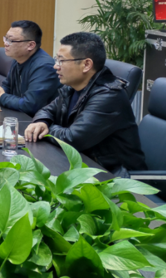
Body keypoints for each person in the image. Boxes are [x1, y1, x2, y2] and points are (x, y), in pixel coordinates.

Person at [25, 32, 146, 176]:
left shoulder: (109, 96)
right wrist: (42, 121)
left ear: (86, 65)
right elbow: (48, 110)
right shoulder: (72, 87)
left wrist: (46, 129)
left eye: (61, 61)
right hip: (85, 166)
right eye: (56, 60)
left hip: (115, 178)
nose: (55, 66)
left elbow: (72, 138)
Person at [0, 20, 60, 115]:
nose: (6, 43)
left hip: (39, 121)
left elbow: (30, 105)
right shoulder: (18, 58)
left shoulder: (44, 67)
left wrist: (0, 96)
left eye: (11, 40)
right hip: (20, 116)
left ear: (30, 45)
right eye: (6, 39)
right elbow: (7, 86)